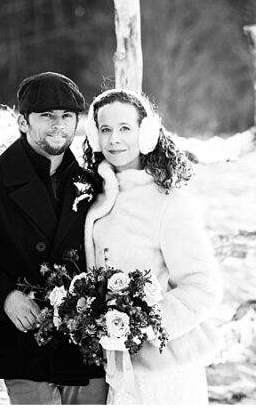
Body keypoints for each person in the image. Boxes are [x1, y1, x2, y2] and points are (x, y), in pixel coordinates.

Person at [0, 72, 108, 405]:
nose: (59, 124)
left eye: (67, 116)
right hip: (25, 344)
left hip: (85, 349)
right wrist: (5, 295)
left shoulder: (90, 184)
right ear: (23, 121)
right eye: (47, 115)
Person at [82, 88, 222, 404]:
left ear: (145, 134)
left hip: (166, 371)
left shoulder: (170, 204)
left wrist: (142, 325)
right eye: (105, 129)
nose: (114, 139)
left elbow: (203, 286)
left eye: (124, 128)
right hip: (115, 369)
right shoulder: (96, 200)